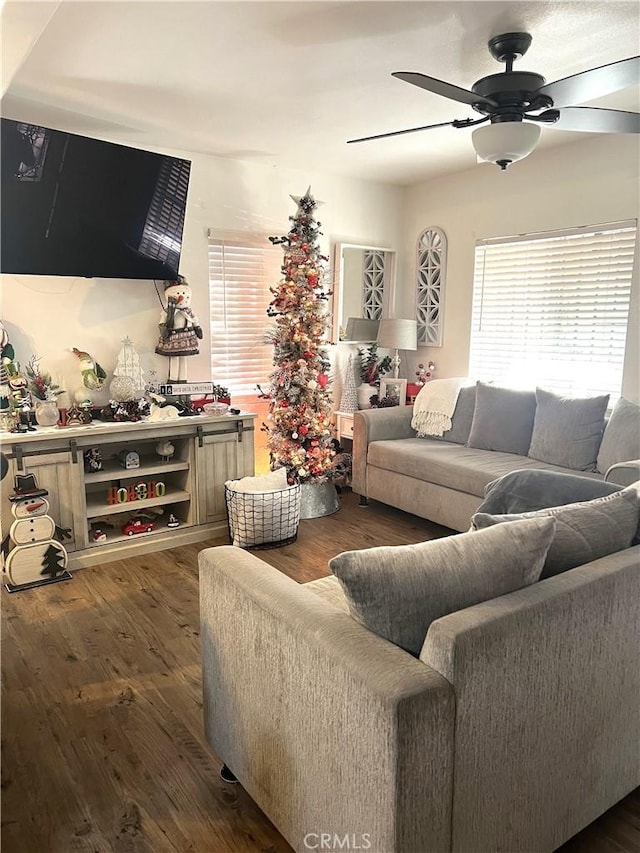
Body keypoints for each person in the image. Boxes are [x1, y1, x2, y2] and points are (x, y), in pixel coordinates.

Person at [155, 275, 203, 383]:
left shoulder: (189, 312)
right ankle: (172, 381)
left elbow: (195, 320)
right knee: (174, 359)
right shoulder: (168, 312)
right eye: (178, 293)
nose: (181, 296)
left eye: (184, 294)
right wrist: (163, 329)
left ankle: (183, 382)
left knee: (183, 360)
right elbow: (162, 322)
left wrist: (197, 328)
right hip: (173, 338)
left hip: (187, 338)